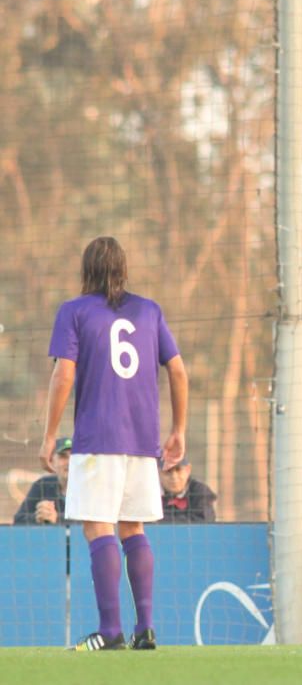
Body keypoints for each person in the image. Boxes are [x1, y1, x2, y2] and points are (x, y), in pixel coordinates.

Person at [39, 236, 188, 651]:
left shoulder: (74, 311)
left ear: (86, 270)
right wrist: (179, 429)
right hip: (143, 441)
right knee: (133, 527)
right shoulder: (149, 310)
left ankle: (110, 631)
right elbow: (178, 371)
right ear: (124, 268)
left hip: (98, 436)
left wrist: (50, 435)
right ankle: (146, 628)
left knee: (97, 525)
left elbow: (63, 374)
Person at [13, 436, 72, 525]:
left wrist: (57, 518)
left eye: (74, 456)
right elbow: (18, 520)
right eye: (63, 456)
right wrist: (38, 517)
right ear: (52, 461)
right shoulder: (42, 484)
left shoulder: (90, 488)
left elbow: (97, 524)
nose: (69, 462)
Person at [159, 458, 217, 523]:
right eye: (168, 471)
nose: (174, 477)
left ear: (188, 470)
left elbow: (204, 522)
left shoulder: (200, 491)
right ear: (158, 472)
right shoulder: (150, 494)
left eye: (178, 470)